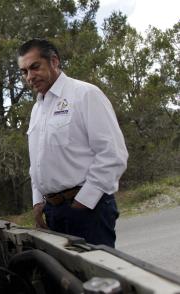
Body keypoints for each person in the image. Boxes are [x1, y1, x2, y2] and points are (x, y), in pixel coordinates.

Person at [17, 39, 128, 247]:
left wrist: (82, 202)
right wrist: (38, 201)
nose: (29, 77)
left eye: (34, 67)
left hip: (88, 209)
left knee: (97, 277)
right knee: (66, 277)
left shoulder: (85, 94)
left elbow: (113, 154)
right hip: (53, 212)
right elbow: (38, 162)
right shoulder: (37, 109)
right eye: (24, 72)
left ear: (54, 61)